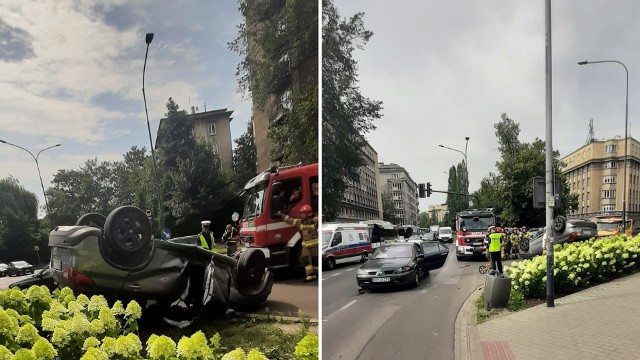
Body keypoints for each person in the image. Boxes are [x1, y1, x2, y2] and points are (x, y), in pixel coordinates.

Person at [278, 204, 318, 282]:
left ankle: (317, 273)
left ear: (308, 214)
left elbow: (318, 219)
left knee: (315, 261)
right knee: (305, 260)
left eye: (303, 213)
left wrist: (317, 219)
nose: (301, 215)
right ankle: (310, 275)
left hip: (315, 246)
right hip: (305, 246)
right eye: (301, 213)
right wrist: (280, 214)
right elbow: (289, 220)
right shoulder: (300, 222)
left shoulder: (314, 221)